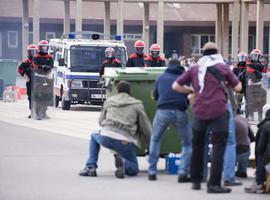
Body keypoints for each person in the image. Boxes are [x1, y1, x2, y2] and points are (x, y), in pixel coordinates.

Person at [172, 42, 241, 193]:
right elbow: (238, 87)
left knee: (197, 146)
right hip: (219, 111)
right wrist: (225, 84)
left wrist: (191, 89)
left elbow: (176, 86)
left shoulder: (195, 68)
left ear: (203, 53)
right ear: (217, 52)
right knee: (218, 147)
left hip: (200, 112)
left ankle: (196, 181)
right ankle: (214, 184)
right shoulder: (223, 67)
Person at [79, 81, 152, 178]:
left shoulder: (109, 101)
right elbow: (145, 127)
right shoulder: (137, 104)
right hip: (125, 140)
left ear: (117, 90)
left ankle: (91, 167)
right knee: (133, 170)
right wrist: (151, 143)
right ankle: (124, 162)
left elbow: (101, 121)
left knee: (93, 135)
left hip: (106, 136)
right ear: (131, 91)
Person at [148, 58, 192, 182]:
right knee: (187, 143)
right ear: (180, 66)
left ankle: (152, 171)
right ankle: (183, 172)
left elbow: (155, 96)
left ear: (168, 65)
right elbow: (189, 96)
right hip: (180, 111)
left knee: (155, 139)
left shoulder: (160, 77)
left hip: (163, 111)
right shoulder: (184, 78)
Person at [245, 110, 270, 193]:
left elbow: (260, 146)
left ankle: (259, 183)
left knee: (261, 156)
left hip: (267, 160)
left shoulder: (264, 126)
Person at [32, 40, 54, 120]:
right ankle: (36, 114)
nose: (44, 48)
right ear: (40, 47)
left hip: (47, 77)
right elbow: (35, 65)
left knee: (46, 96)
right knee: (38, 96)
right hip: (38, 77)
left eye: (46, 46)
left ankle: (44, 113)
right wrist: (43, 67)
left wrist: (49, 67)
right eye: (43, 46)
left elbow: (52, 65)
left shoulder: (49, 56)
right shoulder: (36, 56)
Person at [245, 49, 267, 121]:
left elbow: (264, 70)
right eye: (254, 55)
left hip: (258, 85)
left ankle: (260, 116)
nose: (255, 57)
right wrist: (257, 70)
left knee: (260, 101)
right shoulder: (249, 63)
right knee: (250, 102)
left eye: (257, 56)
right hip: (250, 85)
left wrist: (259, 67)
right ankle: (251, 116)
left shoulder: (260, 64)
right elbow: (249, 69)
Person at [18, 44, 38, 118]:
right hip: (30, 82)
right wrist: (26, 70)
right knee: (31, 97)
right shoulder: (26, 62)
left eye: (34, 51)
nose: (33, 53)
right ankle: (32, 112)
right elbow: (20, 69)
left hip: (39, 81)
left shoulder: (39, 61)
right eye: (31, 52)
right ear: (28, 52)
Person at [234, 110, 255, 178]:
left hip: (234, 147)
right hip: (245, 147)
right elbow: (251, 136)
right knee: (242, 167)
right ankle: (242, 171)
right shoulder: (245, 120)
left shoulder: (231, 120)